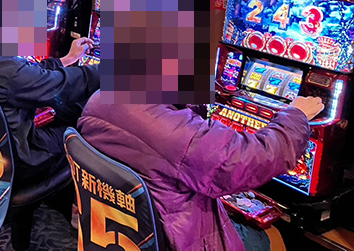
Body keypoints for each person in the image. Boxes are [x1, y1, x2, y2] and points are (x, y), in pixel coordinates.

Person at [77, 94, 324, 251]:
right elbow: (249, 159)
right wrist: (296, 116)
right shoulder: (169, 130)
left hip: (126, 230)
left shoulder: (99, 100)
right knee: (275, 235)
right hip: (178, 238)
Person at [0, 39, 100, 184]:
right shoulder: (9, 71)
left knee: (61, 114)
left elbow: (27, 74)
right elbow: (64, 87)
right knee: (81, 131)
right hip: (17, 162)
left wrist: (66, 60)